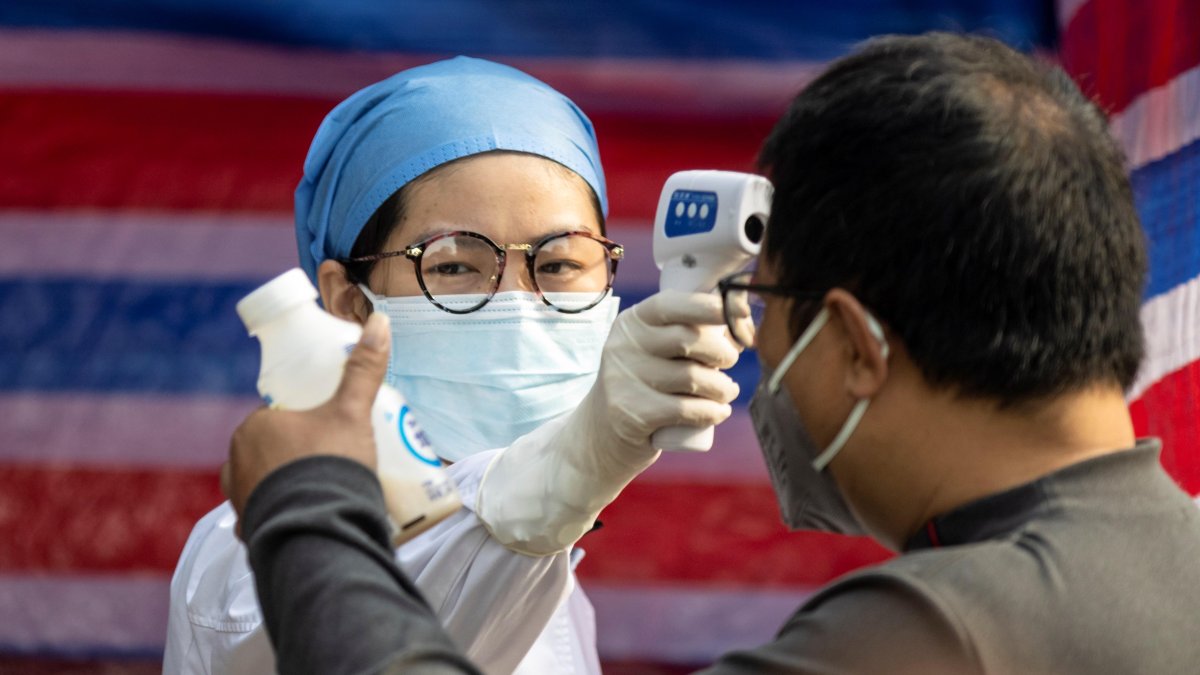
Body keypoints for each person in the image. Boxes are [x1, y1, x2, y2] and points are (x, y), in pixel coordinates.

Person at [223, 32, 1200, 674]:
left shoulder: (930, 637)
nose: (755, 371)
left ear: (856, 345)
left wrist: (306, 505)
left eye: (765, 312)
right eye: (461, 267)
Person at [164, 56, 742, 675]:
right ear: (350, 303)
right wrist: (581, 460)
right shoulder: (247, 555)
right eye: (453, 266)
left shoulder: (553, 574)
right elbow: (358, 621)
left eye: (559, 265)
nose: (520, 305)